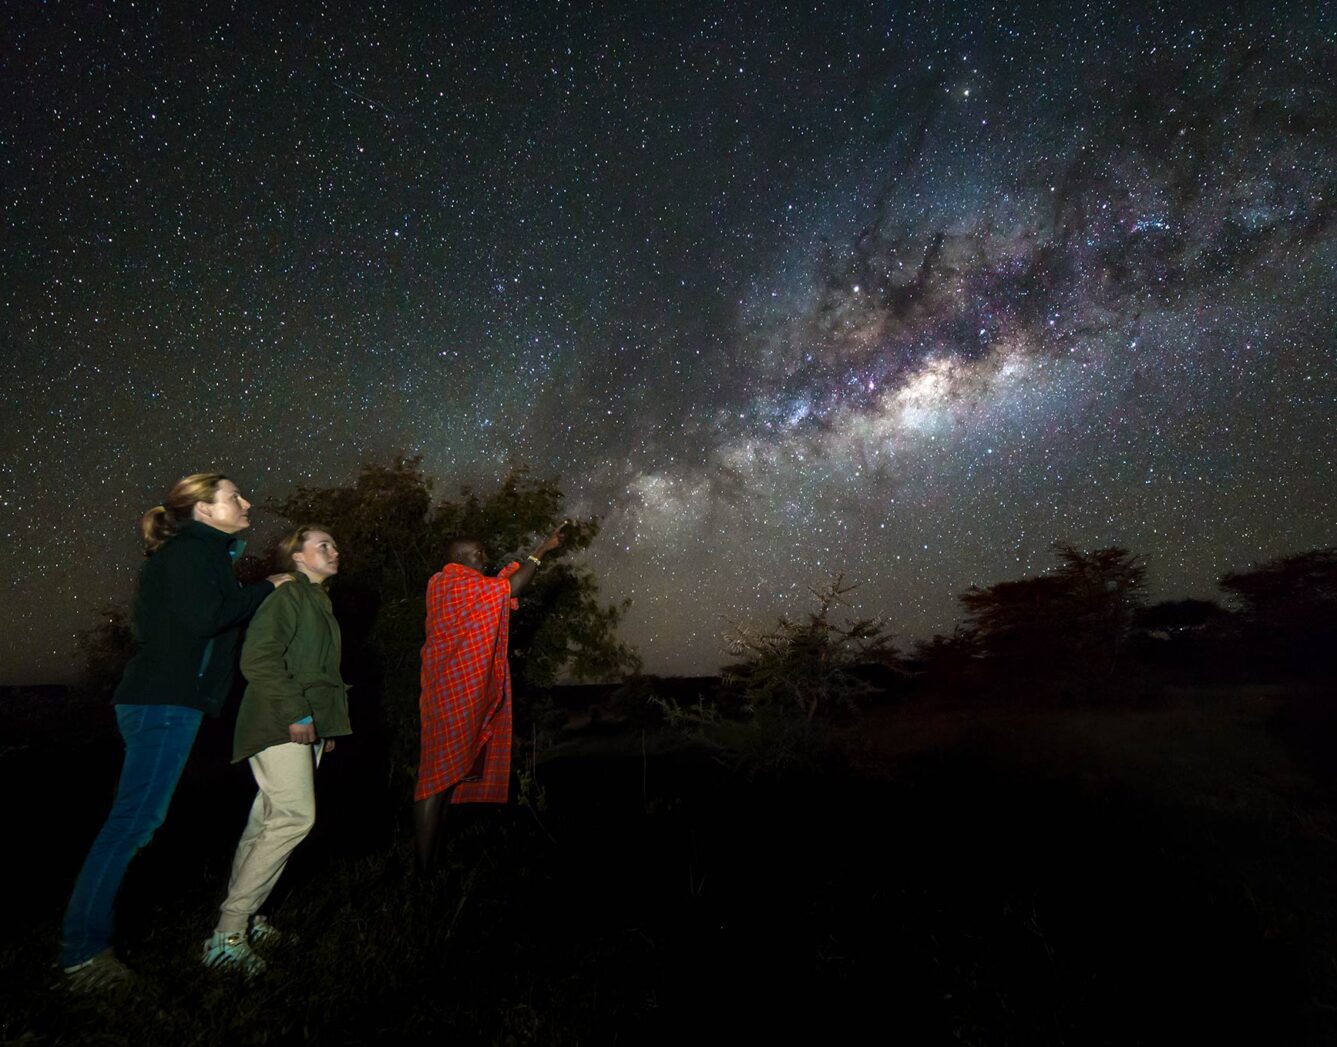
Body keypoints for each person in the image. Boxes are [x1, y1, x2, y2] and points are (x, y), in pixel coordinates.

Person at [61, 474, 290, 992]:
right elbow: (205, 619)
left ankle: (86, 946)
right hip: (162, 703)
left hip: (171, 702)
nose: (246, 501)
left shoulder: (205, 554)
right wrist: (268, 587)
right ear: (205, 510)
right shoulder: (189, 554)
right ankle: (82, 954)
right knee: (133, 824)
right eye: (234, 496)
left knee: (138, 821)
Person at [203, 525, 351, 974]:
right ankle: (226, 936)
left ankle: (246, 917)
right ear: (298, 558)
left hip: (303, 723)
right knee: (294, 817)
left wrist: (321, 722)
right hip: (278, 721)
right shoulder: (289, 597)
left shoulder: (318, 602)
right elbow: (259, 658)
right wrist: (298, 712)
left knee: (266, 819)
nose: (333, 549)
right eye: (322, 544)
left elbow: (312, 668)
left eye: (334, 542)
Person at [413, 524, 565, 874]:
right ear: (460, 558)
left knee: (445, 779)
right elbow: (508, 588)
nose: (486, 557)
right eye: (479, 554)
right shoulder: (449, 582)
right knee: (433, 780)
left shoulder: (461, 585)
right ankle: (421, 875)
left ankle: (431, 863)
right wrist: (540, 550)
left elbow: (497, 589)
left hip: (449, 693)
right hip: (445, 694)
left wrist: (515, 570)